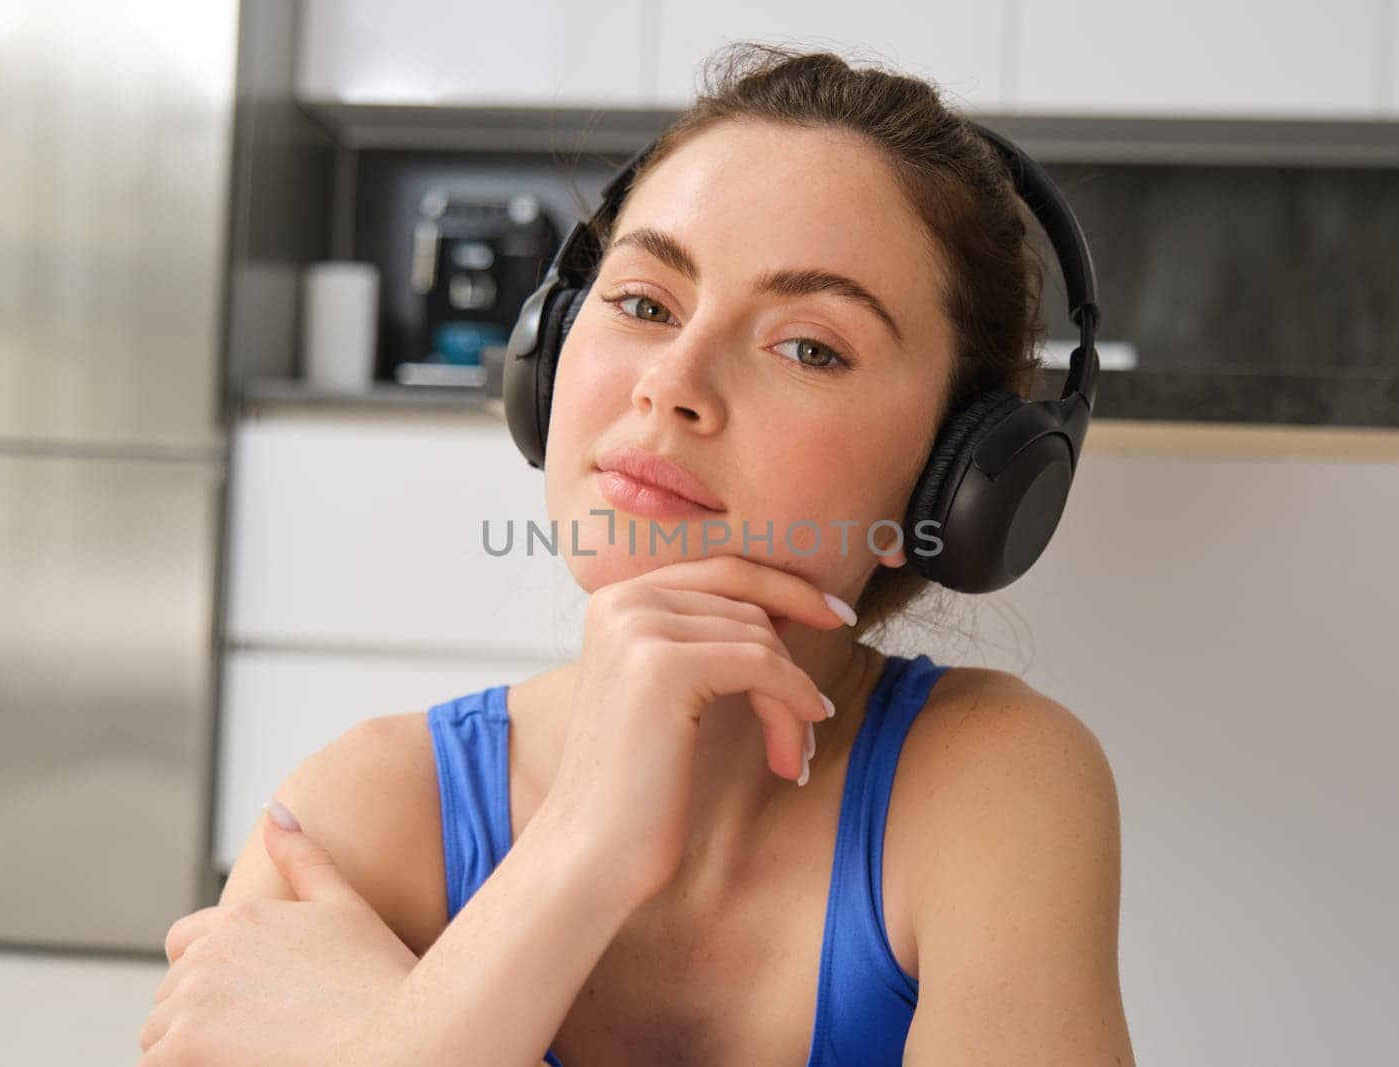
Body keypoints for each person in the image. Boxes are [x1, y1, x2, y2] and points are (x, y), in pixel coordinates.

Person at [148, 43, 1134, 1066]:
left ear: (959, 468)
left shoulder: (991, 786)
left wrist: (398, 1041)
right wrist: (583, 845)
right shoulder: (359, 816)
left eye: (808, 344)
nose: (670, 380)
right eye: (644, 302)